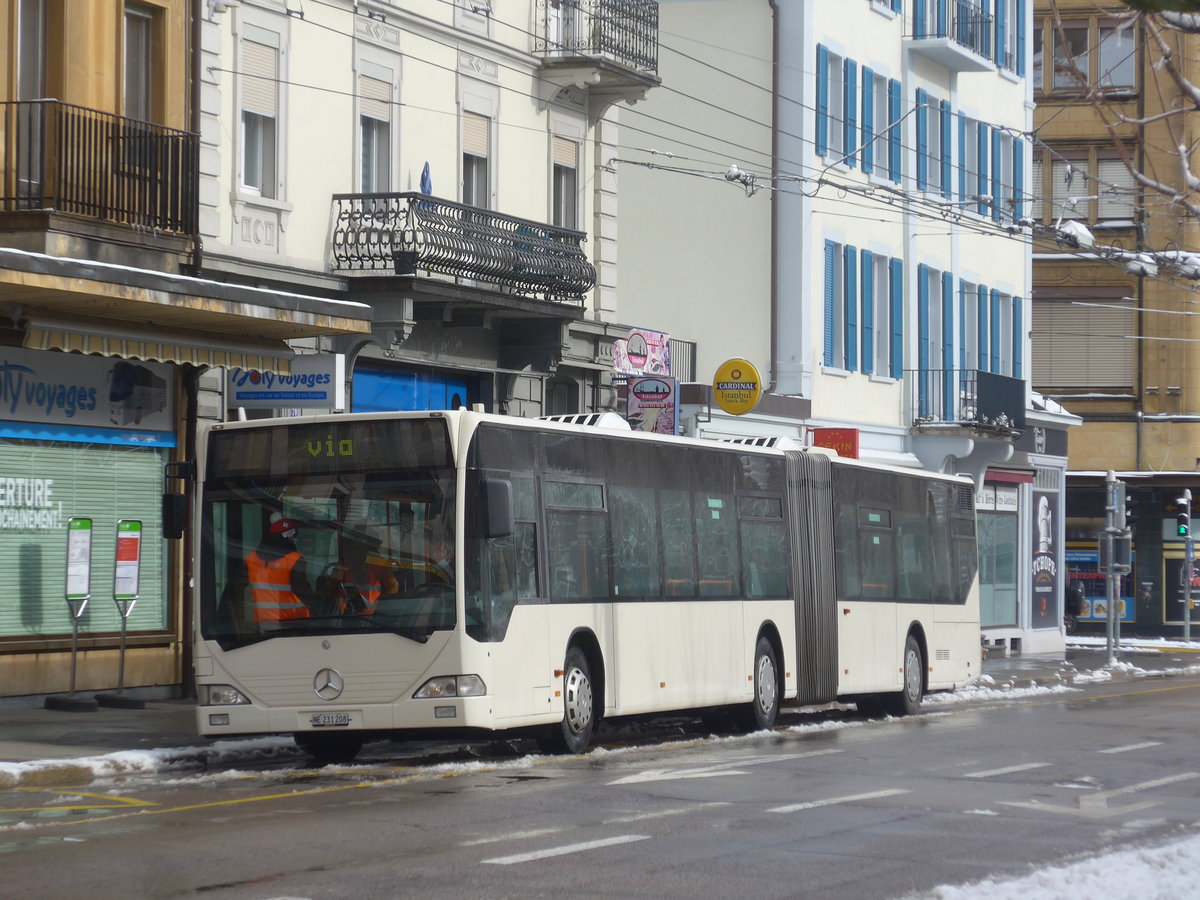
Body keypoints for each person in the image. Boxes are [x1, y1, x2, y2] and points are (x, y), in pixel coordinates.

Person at [245, 513, 314, 623]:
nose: (295, 539)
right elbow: (303, 591)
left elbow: (236, 589)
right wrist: (316, 606)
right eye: (293, 536)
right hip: (292, 621)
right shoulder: (294, 559)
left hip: (262, 622)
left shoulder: (251, 559)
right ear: (287, 537)